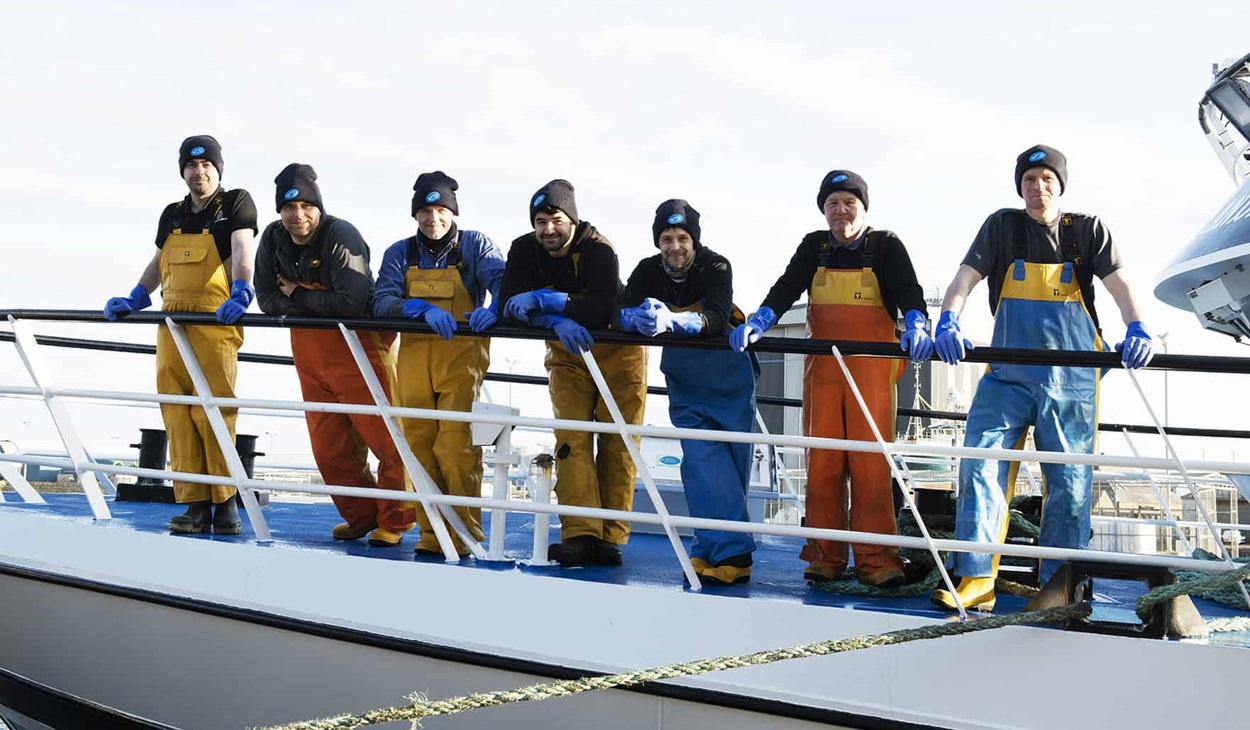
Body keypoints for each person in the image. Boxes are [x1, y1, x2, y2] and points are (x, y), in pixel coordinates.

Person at [930, 144, 1154, 612]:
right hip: (1007, 375)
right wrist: (949, 319)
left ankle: (1060, 585)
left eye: (1047, 179)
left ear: (1061, 185)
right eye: (1029, 180)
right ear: (1020, 188)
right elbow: (964, 278)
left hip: (1071, 379)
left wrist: (1136, 325)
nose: (1038, 188)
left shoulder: (1087, 231)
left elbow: (1119, 283)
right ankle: (975, 578)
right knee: (980, 462)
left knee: (1070, 481)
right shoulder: (1001, 226)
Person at [730, 170, 932, 588]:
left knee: (870, 463)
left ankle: (878, 560)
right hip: (821, 372)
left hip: (872, 373)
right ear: (823, 210)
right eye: (832, 204)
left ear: (863, 207)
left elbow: (910, 291)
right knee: (822, 462)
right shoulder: (813, 247)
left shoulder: (886, 245)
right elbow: (786, 287)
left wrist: (916, 322)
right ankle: (825, 556)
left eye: (848, 203)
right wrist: (761, 319)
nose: (840, 211)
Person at [254, 163, 416, 546]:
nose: (299, 215)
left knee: (387, 438)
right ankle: (361, 515)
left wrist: (297, 294)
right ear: (280, 211)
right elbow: (265, 297)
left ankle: (396, 519)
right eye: (289, 208)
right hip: (310, 353)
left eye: (307, 206)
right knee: (329, 448)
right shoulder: (274, 239)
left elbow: (351, 301)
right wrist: (305, 301)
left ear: (319, 207)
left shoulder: (342, 235)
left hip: (359, 346)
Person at [104, 135, 257, 535]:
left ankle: (225, 504)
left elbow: (242, 248)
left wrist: (243, 288)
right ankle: (193, 502)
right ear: (182, 171)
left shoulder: (236, 203)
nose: (199, 171)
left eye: (207, 164)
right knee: (176, 410)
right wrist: (138, 295)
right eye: (191, 166)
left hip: (215, 321)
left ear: (217, 169)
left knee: (214, 411)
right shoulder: (172, 213)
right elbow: (159, 261)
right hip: (171, 323)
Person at [499, 179, 647, 567]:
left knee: (618, 441)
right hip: (565, 350)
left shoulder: (599, 248)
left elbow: (602, 308)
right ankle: (579, 534)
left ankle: (610, 537)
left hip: (618, 350)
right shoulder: (522, 249)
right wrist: (552, 319)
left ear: (572, 220)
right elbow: (505, 304)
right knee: (572, 438)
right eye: (540, 221)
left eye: (556, 219)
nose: (548, 229)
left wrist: (546, 301)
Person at [618, 199, 757, 585]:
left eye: (682, 238)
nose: (675, 246)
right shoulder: (648, 270)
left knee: (730, 463)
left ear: (694, 240)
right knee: (698, 464)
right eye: (667, 238)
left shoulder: (716, 265)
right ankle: (708, 546)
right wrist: (633, 319)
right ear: (658, 241)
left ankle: (735, 555)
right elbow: (618, 308)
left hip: (728, 377)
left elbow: (716, 316)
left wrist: (675, 320)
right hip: (685, 379)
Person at [373, 171, 505, 557]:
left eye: (441, 210)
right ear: (415, 215)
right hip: (414, 359)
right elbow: (382, 299)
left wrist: (494, 306)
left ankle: (465, 534)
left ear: (453, 212)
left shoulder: (475, 245)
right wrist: (415, 307)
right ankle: (431, 535)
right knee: (418, 445)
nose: (434, 219)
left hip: (460, 357)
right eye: (426, 211)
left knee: (455, 445)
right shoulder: (400, 252)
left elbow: (500, 278)